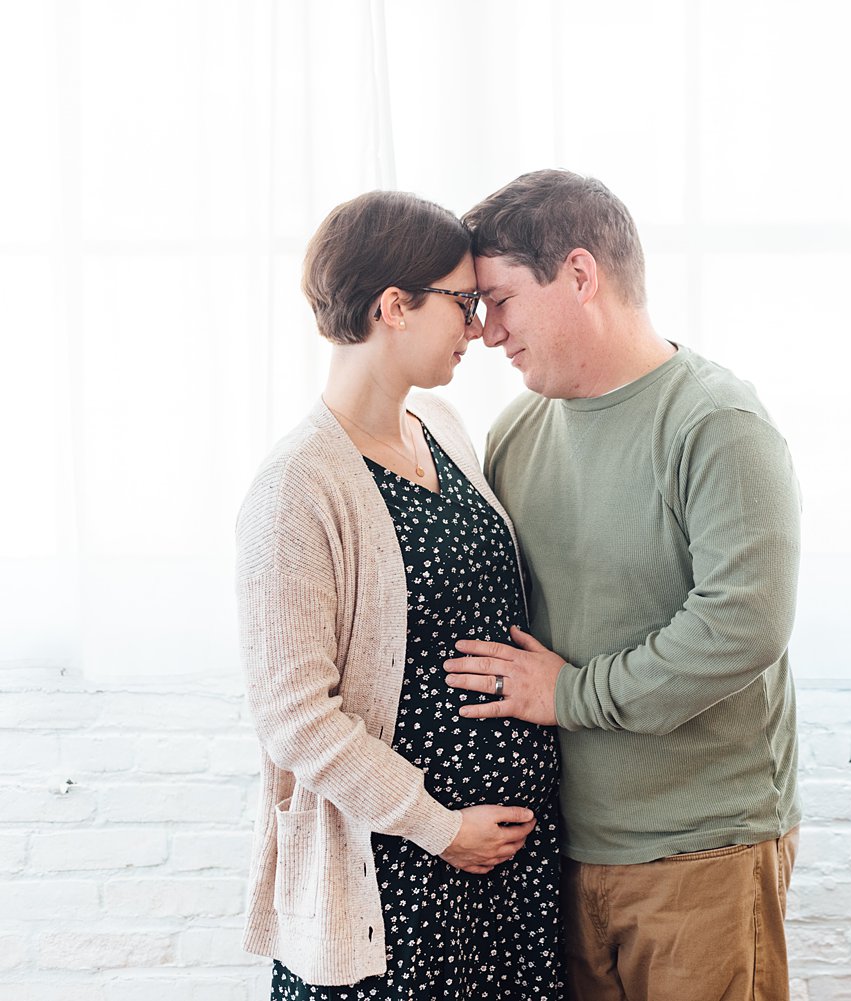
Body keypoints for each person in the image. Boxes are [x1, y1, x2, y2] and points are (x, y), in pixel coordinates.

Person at [443, 169, 802, 1001]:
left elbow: (741, 628)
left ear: (577, 275)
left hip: (702, 849)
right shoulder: (517, 429)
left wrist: (571, 693)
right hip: (561, 853)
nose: (488, 333)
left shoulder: (715, 423)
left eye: (499, 300)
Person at [235, 190, 564, 999]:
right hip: (395, 874)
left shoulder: (443, 426)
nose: (478, 327)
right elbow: (294, 716)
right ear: (394, 306)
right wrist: (441, 828)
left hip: (503, 876)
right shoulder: (296, 489)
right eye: (462, 302)